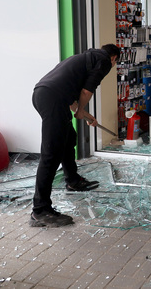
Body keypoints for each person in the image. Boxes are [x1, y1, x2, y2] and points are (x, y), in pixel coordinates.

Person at [30, 44, 120, 228]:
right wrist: (80, 111)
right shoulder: (103, 61)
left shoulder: (86, 59)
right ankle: (40, 210)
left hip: (45, 95)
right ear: (114, 58)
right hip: (52, 98)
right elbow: (86, 92)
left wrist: (85, 115)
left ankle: (72, 180)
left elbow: (72, 99)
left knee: (69, 137)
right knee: (51, 154)